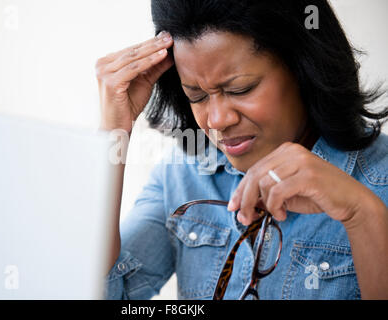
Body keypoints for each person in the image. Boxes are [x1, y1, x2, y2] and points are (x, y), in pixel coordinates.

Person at [96, 0, 388, 299]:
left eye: (240, 89)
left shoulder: (381, 179)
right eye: (196, 96)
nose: (217, 120)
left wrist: (363, 215)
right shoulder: (183, 173)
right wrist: (114, 132)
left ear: (304, 69)